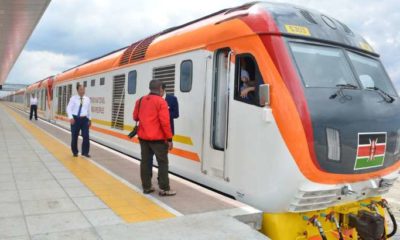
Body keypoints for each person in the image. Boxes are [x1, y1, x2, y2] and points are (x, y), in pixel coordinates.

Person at [133, 80, 176, 196]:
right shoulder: (161, 102)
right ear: (160, 88)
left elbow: (135, 117)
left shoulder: (140, 100)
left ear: (150, 88)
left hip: (143, 138)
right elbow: (165, 123)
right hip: (158, 140)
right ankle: (164, 188)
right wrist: (170, 139)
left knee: (145, 162)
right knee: (162, 163)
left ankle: (147, 187)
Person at [148, 83, 179, 178]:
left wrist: (164, 115)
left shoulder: (172, 99)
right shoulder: (152, 99)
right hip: (152, 133)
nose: (159, 93)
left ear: (164, 90)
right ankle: (148, 179)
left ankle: (161, 179)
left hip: (166, 134)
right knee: (148, 158)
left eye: (160, 91)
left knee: (162, 159)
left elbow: (176, 114)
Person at [66, 83, 92, 157]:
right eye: (81, 89)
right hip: (75, 119)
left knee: (86, 136)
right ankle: (75, 152)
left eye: (83, 89)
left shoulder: (87, 99)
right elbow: (68, 108)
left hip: (84, 119)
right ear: (77, 90)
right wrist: (70, 117)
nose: (82, 91)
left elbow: (89, 110)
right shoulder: (73, 99)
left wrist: (90, 119)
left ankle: (85, 152)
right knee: (74, 136)